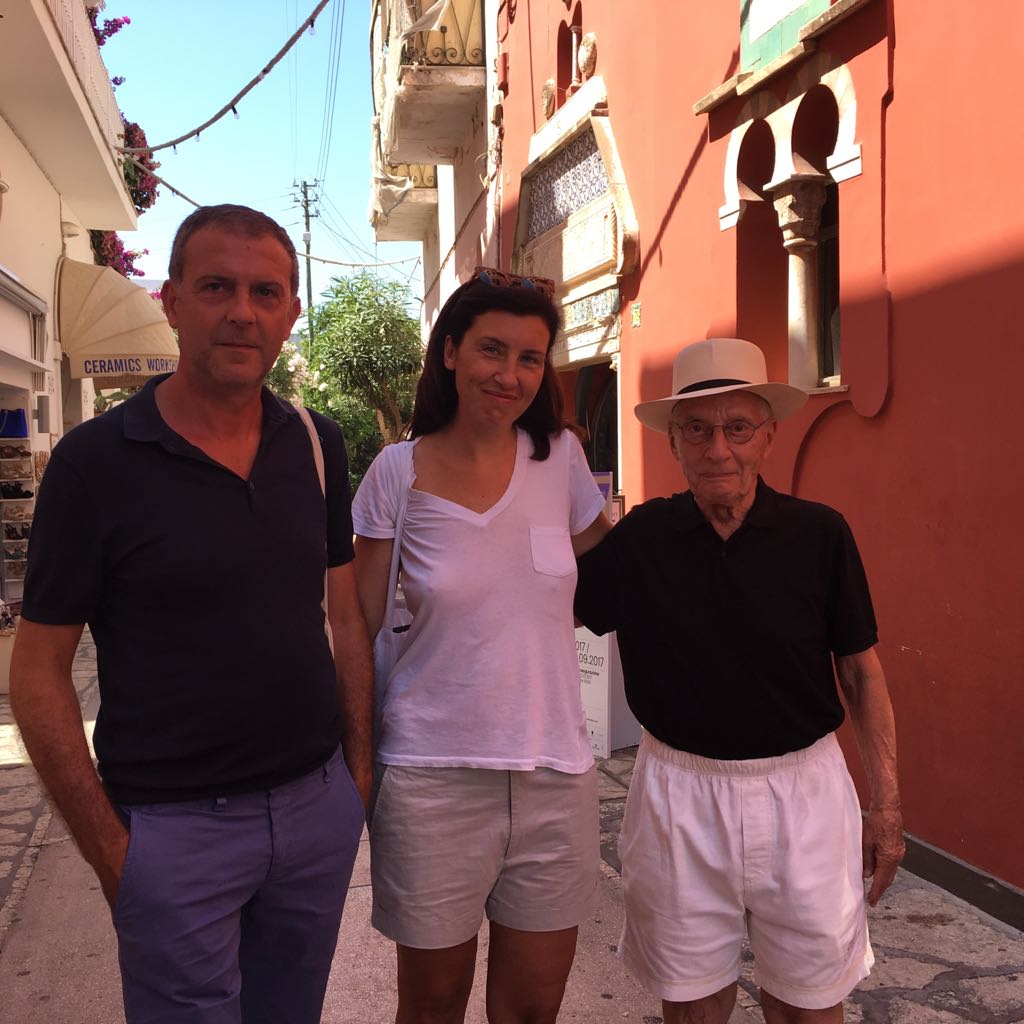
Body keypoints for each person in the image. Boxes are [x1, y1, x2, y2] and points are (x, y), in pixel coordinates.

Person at [10, 205, 373, 1024]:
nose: (242, 310)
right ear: (171, 301)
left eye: (265, 291)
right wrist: (114, 853)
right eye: (216, 287)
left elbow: (345, 619)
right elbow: (36, 673)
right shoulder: (95, 464)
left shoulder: (318, 442)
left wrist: (355, 778)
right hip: (172, 830)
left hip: (315, 811)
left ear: (291, 312)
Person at [574, 338, 904, 1024]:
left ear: (768, 438)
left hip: (803, 794)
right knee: (692, 1005)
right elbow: (554, 596)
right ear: (674, 443)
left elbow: (862, 676)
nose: (718, 448)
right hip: (677, 795)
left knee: (810, 1006)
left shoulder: (820, 536)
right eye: (697, 428)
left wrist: (888, 809)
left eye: (737, 428)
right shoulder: (640, 540)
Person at [353, 267, 609, 1024]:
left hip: (556, 774)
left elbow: (621, 574)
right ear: (452, 352)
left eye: (531, 358)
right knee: (431, 1008)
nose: (511, 374)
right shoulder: (397, 474)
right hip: (432, 778)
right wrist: (354, 760)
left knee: (533, 1010)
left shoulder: (559, 459)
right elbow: (355, 627)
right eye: (493, 350)